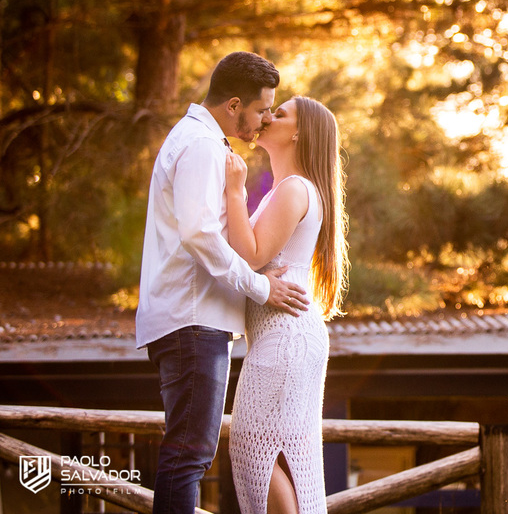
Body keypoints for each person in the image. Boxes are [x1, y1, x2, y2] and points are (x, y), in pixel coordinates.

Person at [135, 51, 312, 514]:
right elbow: (200, 235)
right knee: (188, 456)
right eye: (261, 110)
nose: (265, 119)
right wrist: (261, 288)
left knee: (187, 453)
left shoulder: (202, 142)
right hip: (193, 322)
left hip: (191, 319)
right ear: (234, 105)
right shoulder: (201, 145)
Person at [223, 95, 349, 514]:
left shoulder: (295, 188)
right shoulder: (288, 189)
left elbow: (253, 255)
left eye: (280, 113)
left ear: (298, 132)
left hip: (285, 337)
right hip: (285, 335)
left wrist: (235, 191)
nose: (267, 117)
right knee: (273, 454)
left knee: (255, 450)